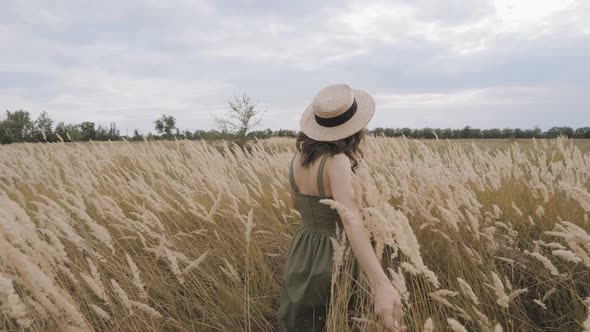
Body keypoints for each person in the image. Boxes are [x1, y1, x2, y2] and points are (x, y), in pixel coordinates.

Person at [276, 84, 406, 332]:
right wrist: (381, 284)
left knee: (304, 316)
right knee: (337, 319)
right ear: (354, 129)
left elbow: (297, 205)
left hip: (303, 246)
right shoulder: (337, 161)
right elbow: (350, 219)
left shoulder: (297, 160)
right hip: (335, 250)